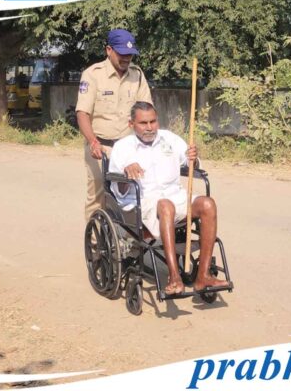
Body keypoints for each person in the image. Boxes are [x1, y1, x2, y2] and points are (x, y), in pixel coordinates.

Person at [109, 101, 229, 295]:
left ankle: (203, 276)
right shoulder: (122, 148)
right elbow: (117, 190)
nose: (149, 127)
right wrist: (126, 173)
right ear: (131, 124)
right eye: (143, 123)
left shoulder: (170, 139)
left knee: (208, 204)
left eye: (153, 121)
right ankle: (174, 277)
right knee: (165, 205)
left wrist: (193, 158)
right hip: (143, 201)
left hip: (175, 195)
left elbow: (192, 164)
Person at [76, 29, 153, 221]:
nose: (126, 58)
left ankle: (127, 234)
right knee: (98, 195)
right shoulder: (93, 75)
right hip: (100, 146)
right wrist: (93, 142)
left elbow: (146, 109)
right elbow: (82, 113)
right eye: (122, 53)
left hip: (128, 146)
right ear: (109, 50)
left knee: (135, 191)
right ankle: (95, 236)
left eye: (130, 54)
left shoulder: (137, 75)